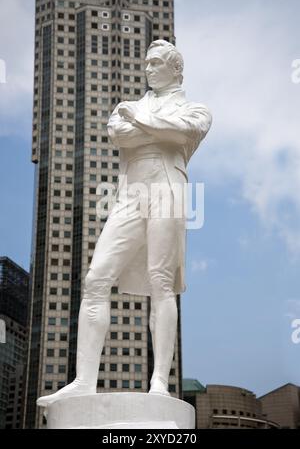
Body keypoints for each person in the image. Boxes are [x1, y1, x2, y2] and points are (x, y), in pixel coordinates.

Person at [37, 40, 212, 408]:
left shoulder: (194, 109)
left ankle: (160, 381)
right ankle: (84, 380)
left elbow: (181, 133)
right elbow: (119, 134)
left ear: (175, 70)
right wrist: (149, 126)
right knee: (96, 278)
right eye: (146, 63)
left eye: (155, 64)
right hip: (130, 193)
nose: (147, 69)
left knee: (162, 283)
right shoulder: (131, 109)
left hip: (168, 187)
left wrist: (139, 120)